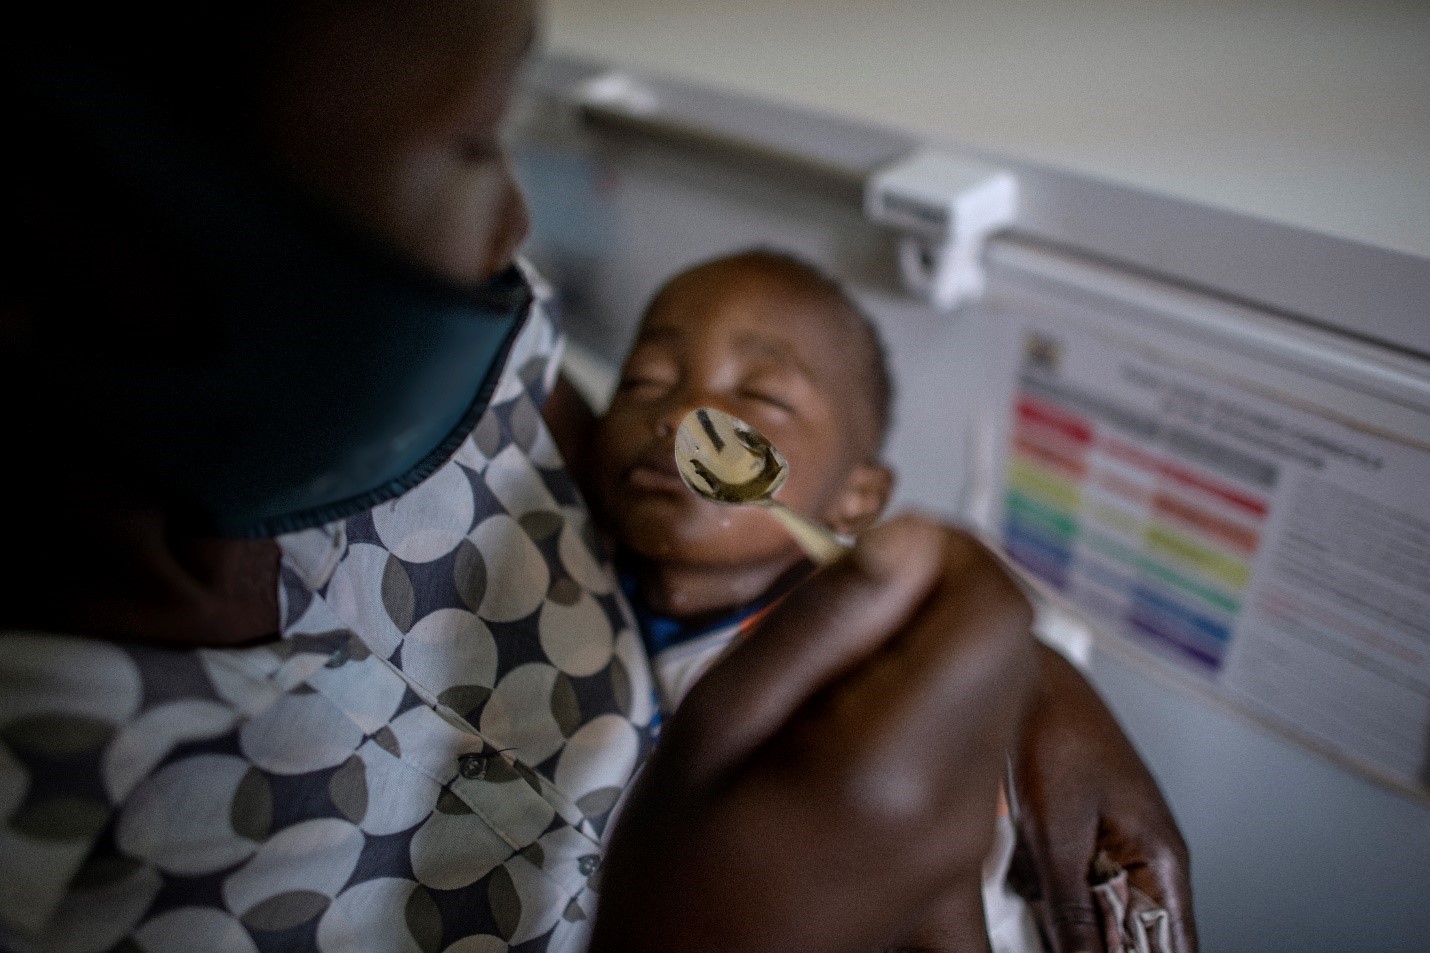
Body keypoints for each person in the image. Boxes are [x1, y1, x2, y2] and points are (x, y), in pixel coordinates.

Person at [0, 3, 1194, 953]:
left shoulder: (459, 332)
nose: (517, 224)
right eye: (469, 141)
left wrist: (1024, 676)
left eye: (503, 116)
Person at [589, 247, 1044, 953]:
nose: (681, 414)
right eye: (644, 381)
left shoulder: (870, 690)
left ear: (856, 498)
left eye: (763, 396)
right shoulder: (561, 570)